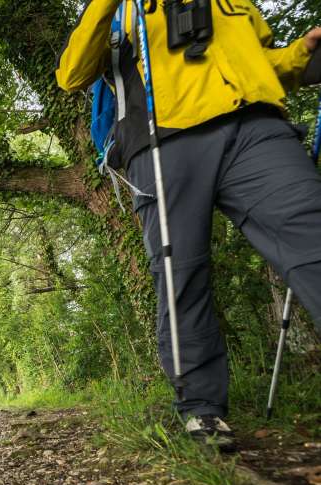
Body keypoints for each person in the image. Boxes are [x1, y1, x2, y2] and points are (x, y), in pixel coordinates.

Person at [56, 0, 321, 451]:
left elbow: (263, 63)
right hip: (163, 140)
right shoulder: (123, 8)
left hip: (257, 129)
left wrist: (302, 52)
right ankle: (203, 408)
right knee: (182, 275)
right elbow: (72, 74)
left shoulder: (237, 4)